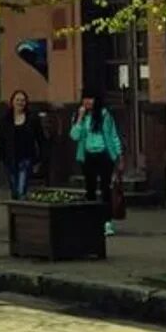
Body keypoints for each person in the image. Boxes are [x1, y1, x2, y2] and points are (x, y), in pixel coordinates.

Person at [69, 89, 124, 236]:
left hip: (104, 155)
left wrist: (119, 155)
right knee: (90, 188)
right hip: (87, 156)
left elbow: (113, 135)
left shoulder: (105, 115)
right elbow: (74, 136)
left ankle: (107, 222)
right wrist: (80, 118)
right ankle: (92, 221)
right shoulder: (79, 115)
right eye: (85, 99)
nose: (87, 102)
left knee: (106, 188)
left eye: (90, 99)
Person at [0, 89, 46, 201]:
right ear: (12, 102)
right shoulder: (5, 121)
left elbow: (41, 140)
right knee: (14, 191)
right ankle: (15, 215)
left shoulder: (32, 119)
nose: (20, 103)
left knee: (21, 190)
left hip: (26, 159)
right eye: (18, 100)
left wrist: (40, 159)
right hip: (10, 160)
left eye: (23, 100)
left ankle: (22, 211)